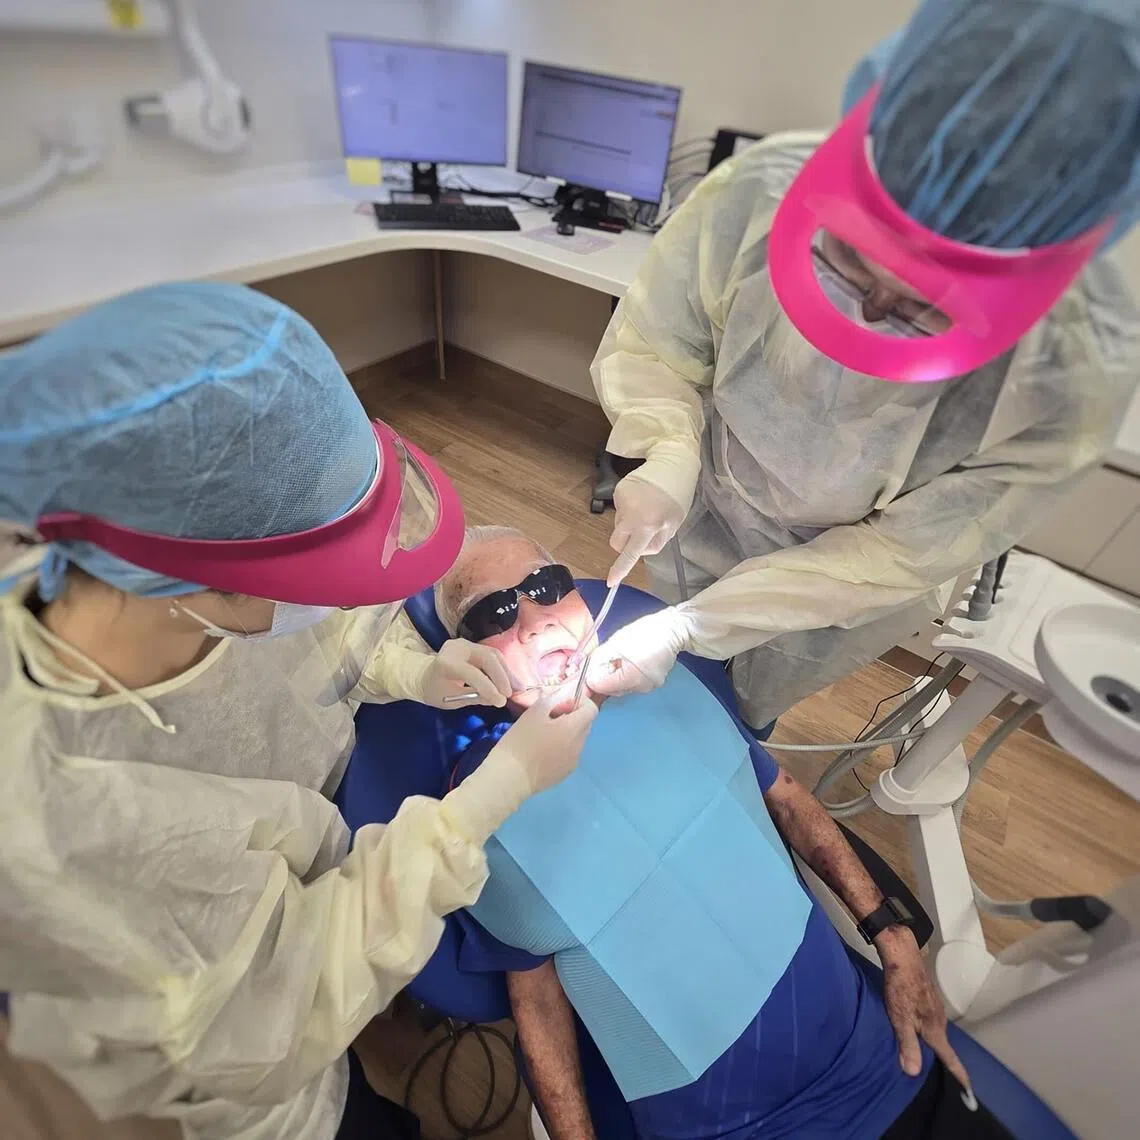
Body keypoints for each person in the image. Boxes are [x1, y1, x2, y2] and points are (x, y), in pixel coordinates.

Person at [0, 283, 597, 1140]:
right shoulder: (60, 826)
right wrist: (494, 793)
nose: (333, 602)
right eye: (312, 579)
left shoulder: (179, 573)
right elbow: (280, 1005)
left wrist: (413, 669)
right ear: (203, 581)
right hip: (260, 1082)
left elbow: (320, 629)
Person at [586, 0, 1140, 734]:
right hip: (704, 506)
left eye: (921, 309)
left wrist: (695, 628)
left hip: (843, 585)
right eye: (847, 259)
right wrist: (668, 449)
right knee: (657, 693)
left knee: (731, 717)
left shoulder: (1072, 373)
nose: (870, 313)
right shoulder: (761, 190)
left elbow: (902, 549)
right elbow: (660, 341)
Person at [431, 525, 1016, 1140]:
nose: (534, 619)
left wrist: (891, 938)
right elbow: (537, 1000)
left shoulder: (668, 682)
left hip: (881, 1059)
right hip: (732, 1128)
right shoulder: (483, 804)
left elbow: (787, 799)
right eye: (494, 612)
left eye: (546, 586)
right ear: (468, 661)